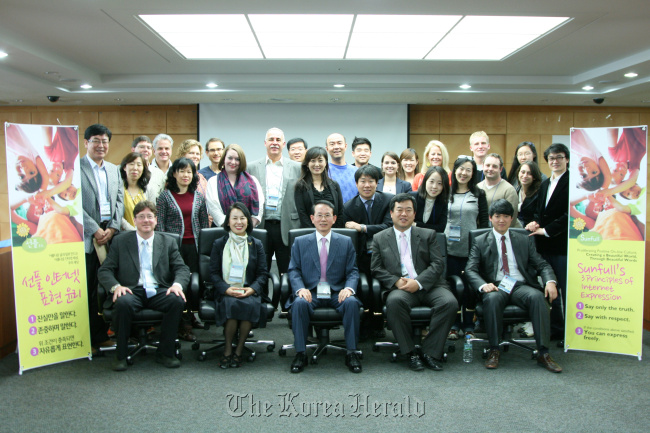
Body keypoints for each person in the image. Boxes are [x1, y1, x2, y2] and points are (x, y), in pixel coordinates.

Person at [465, 199, 562, 373]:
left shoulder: (524, 239)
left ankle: (543, 352)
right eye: (497, 216)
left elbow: (542, 265)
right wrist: (482, 285)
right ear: (490, 218)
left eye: (505, 216)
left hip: (519, 285)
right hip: (495, 285)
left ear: (512, 219)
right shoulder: (480, 241)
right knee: (493, 299)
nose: (501, 220)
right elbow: (470, 269)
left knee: (538, 297)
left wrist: (550, 281)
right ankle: (494, 349)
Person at [98, 200, 190, 371]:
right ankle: (121, 355)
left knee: (176, 301)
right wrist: (116, 287)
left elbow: (182, 268)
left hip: (159, 290)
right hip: (132, 290)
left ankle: (166, 353)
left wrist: (177, 285)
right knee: (123, 302)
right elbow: (105, 271)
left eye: (150, 216)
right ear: (134, 220)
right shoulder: (120, 241)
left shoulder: (168, 241)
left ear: (156, 220)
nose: (146, 220)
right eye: (141, 217)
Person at [371, 193, 458, 372]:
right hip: (400, 287)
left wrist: (418, 282)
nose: (404, 214)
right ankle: (410, 352)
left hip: (429, 285)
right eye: (399, 210)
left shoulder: (428, 234)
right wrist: (395, 282)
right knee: (394, 303)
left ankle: (431, 352)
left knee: (449, 302)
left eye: (408, 210)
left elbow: (437, 264)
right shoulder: (380, 237)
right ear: (391, 213)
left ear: (414, 214)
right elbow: (376, 268)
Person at [286, 201, 362, 374]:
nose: (323, 219)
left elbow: (353, 271)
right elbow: (294, 270)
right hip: (310, 292)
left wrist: (349, 289)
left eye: (327, 215)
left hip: (337, 292)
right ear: (312, 219)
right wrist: (300, 289)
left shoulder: (345, 242)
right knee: (299, 303)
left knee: (351, 303)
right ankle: (300, 353)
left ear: (334, 219)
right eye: (319, 215)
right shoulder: (300, 242)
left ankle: (351, 352)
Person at [209, 203, 270, 368]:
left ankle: (239, 350)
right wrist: (226, 289)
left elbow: (263, 273)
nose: (239, 222)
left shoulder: (256, 244)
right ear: (228, 222)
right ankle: (228, 349)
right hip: (226, 290)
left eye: (242, 218)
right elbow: (213, 273)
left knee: (247, 304)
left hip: (249, 289)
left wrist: (252, 289)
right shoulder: (219, 244)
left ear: (248, 221)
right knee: (231, 302)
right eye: (234, 218)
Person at [80, 123, 124, 354]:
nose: (101, 145)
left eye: (105, 141)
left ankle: (105, 334)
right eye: (96, 140)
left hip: (110, 237)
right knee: (88, 290)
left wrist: (113, 229)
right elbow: (72, 204)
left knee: (110, 288)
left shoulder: (113, 169)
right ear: (86, 143)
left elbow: (119, 201)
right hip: (88, 239)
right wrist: (94, 229)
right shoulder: (74, 169)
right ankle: (90, 339)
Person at [156, 157, 210, 341]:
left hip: (194, 248)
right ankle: (181, 323)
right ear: (174, 173)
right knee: (177, 284)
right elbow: (160, 226)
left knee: (195, 284)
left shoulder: (199, 196)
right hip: (173, 249)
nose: (185, 175)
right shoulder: (164, 196)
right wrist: (162, 250)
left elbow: (204, 225)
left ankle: (191, 317)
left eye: (189, 172)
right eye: (182, 171)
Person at [526, 143, 570, 342]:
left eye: (559, 157)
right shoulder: (544, 184)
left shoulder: (573, 182)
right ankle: (556, 329)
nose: (555, 161)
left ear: (567, 159)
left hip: (562, 245)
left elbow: (570, 215)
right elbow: (540, 211)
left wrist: (548, 230)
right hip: (544, 246)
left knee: (566, 289)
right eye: (551, 158)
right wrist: (536, 222)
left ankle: (571, 333)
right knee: (550, 291)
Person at [247, 127, 301, 275]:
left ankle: (286, 298)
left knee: (288, 270)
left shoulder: (297, 168)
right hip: (261, 224)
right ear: (265, 143)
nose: (274, 143)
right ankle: (262, 298)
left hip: (287, 225)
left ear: (284, 144)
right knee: (260, 269)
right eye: (271, 139)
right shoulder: (251, 167)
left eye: (278, 140)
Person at [446, 156, 489, 340]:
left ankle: (469, 325)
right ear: (455, 170)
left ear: (473, 173)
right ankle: (454, 325)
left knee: (471, 289)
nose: (463, 173)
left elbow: (485, 222)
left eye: (468, 170)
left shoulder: (479, 194)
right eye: (460, 169)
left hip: (472, 250)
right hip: (449, 249)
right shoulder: (446, 192)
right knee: (454, 288)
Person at [342, 165, 393, 278]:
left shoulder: (388, 200)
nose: (367, 185)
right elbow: (349, 237)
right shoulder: (347, 207)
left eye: (371, 181)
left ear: (377, 183)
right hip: (361, 256)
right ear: (356, 183)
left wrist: (362, 228)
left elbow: (389, 227)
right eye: (363, 181)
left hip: (386, 252)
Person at [206, 144, 264, 227]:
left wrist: (249, 225)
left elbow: (259, 204)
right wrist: (230, 226)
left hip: (248, 230)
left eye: (237, 159)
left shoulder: (253, 180)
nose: (233, 162)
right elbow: (213, 207)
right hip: (223, 230)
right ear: (224, 159)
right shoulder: (213, 181)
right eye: (230, 158)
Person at [293, 146, 344, 229]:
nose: (317, 164)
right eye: (313, 161)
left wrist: (334, 231)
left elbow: (340, 211)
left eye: (320, 160)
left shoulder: (334, 185)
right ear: (307, 164)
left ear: (326, 163)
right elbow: (302, 213)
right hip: (310, 232)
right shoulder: (301, 186)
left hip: (333, 232)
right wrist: (314, 233)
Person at [477, 153, 520, 227]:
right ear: (483, 166)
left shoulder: (509, 190)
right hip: (482, 232)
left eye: (494, 166)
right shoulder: (477, 187)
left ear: (501, 169)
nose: (490, 169)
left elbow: (511, 219)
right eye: (487, 165)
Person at [119, 152, 157, 231]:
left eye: (139, 165)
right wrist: (133, 231)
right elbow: (118, 215)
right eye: (131, 164)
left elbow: (152, 213)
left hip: (145, 234)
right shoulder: (118, 188)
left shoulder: (149, 189)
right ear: (124, 167)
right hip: (123, 235)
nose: (135, 168)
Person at [411, 166, 449, 233]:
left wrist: (416, 224)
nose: (434, 186)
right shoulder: (413, 197)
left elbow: (440, 228)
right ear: (425, 181)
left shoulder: (443, 202)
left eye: (439, 183)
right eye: (431, 181)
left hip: (431, 240)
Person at [326, 132, 358, 203]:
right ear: (327, 149)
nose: (336, 147)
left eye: (339, 143)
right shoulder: (323, 171)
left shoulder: (356, 171)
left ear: (345, 146)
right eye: (332, 144)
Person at [132, 136, 165, 201]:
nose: (146, 150)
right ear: (133, 150)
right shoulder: (123, 170)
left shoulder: (159, 173)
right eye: (142, 147)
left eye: (148, 148)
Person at [517, 161, 543, 227]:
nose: (525, 176)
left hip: (532, 230)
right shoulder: (516, 190)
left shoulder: (539, 193)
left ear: (534, 176)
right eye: (522, 172)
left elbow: (539, 216)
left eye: (529, 173)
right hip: (516, 229)